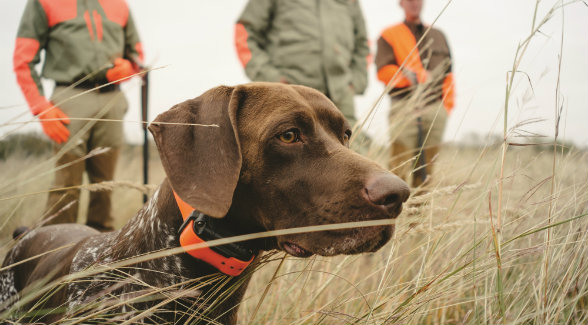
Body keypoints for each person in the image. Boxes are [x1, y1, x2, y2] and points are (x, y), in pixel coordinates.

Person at [13, 0, 144, 231]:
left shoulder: (119, 4)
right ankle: (53, 249)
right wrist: (41, 107)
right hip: (71, 98)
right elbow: (23, 60)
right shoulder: (42, 3)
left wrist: (129, 68)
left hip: (112, 99)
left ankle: (101, 252)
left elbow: (137, 55)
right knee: (66, 186)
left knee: (105, 186)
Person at [234, 0, 369, 127]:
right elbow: (244, 33)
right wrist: (271, 79)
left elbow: (363, 43)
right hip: (289, 94)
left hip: (341, 96)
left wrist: (356, 81)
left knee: (351, 147)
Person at [375, 0, 455, 188]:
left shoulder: (438, 35)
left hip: (435, 108)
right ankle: (396, 215)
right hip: (404, 106)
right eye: (409, 0)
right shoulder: (389, 34)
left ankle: (420, 216)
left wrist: (445, 108)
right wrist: (414, 77)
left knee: (426, 172)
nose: (414, 4)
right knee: (398, 168)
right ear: (401, 3)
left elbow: (449, 75)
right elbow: (383, 72)